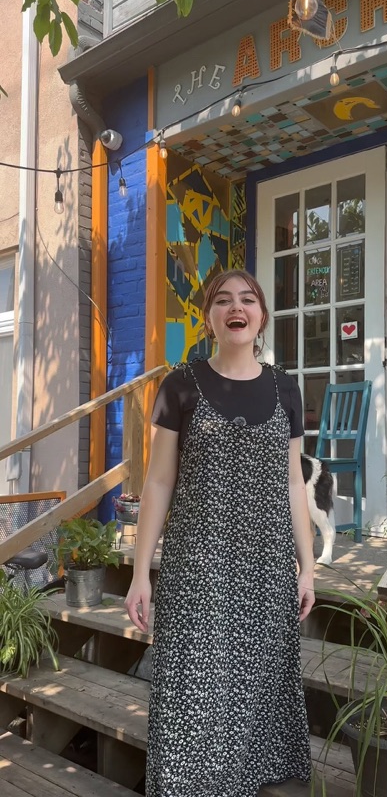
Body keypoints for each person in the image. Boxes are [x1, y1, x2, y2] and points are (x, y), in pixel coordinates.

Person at [125, 269, 315, 797]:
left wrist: (307, 567)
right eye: (224, 300)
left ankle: (248, 779)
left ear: (261, 316)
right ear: (209, 318)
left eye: (248, 299)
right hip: (197, 567)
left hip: (266, 568)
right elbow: (158, 482)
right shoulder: (180, 385)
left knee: (260, 686)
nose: (237, 307)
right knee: (195, 686)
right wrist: (140, 573)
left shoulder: (286, 388)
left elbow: (294, 483)